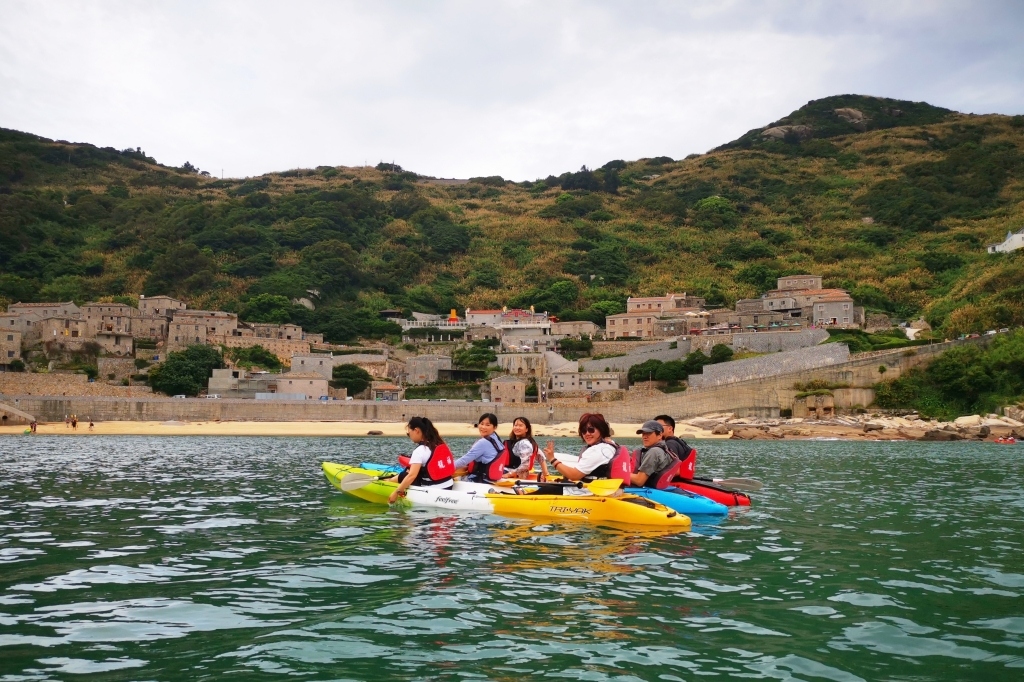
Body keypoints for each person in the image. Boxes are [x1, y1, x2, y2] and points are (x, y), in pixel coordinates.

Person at [387, 417, 455, 504]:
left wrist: (396, 493)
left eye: (409, 434)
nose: (409, 437)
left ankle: (389, 482)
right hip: (449, 485)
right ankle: (391, 480)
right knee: (409, 471)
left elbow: (412, 476)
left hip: (433, 490)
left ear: (416, 431)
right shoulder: (440, 443)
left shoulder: (420, 451)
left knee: (405, 474)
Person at [542, 413, 617, 482]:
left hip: (591, 492)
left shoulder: (599, 450)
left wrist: (552, 459)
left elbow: (574, 475)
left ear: (601, 430)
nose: (587, 433)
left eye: (591, 429)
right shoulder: (609, 444)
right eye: (584, 430)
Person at [454, 413, 505, 483]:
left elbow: (464, 460)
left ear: (495, 427)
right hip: (491, 479)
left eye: (488, 425)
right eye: (481, 424)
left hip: (480, 480)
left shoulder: (483, 442)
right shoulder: (496, 439)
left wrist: (447, 468)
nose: (483, 427)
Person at [629, 421, 678, 488]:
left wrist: (619, 473)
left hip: (649, 490)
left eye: (648, 433)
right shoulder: (666, 449)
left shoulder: (653, 452)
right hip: (660, 488)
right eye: (643, 434)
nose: (644, 437)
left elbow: (639, 481)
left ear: (660, 435)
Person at [503, 417, 549, 481]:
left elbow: (525, 464)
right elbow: (541, 457)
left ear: (526, 429)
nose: (517, 427)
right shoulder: (529, 442)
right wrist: (546, 473)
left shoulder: (524, 443)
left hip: (511, 474)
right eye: (515, 425)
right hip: (512, 473)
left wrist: (510, 474)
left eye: (520, 425)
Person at [654, 414, 697, 479]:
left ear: (670, 428)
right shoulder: (679, 442)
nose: (655, 430)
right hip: (684, 480)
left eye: (658, 426)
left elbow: (675, 471)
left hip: (675, 483)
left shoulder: (669, 444)